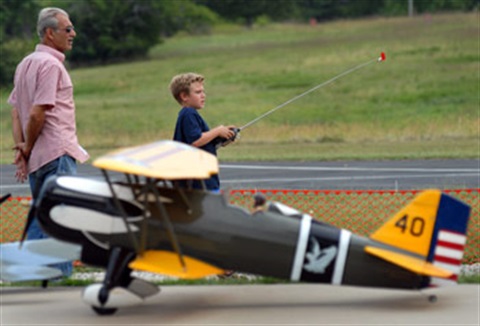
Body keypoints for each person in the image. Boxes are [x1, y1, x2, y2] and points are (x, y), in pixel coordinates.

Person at [8, 7, 89, 277]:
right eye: (68, 29)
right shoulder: (52, 65)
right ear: (50, 33)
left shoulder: (25, 64)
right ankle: (55, 278)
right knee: (60, 219)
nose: (73, 34)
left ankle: (30, 274)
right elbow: (36, 111)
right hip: (56, 153)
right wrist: (27, 146)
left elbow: (15, 111)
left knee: (42, 215)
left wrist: (22, 148)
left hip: (38, 159)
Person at [170, 73, 236, 191]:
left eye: (203, 92)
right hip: (199, 183)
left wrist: (222, 137)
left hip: (203, 180)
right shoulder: (189, 113)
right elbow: (195, 140)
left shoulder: (189, 114)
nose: (203, 96)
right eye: (198, 92)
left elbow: (202, 142)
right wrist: (217, 131)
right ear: (184, 96)